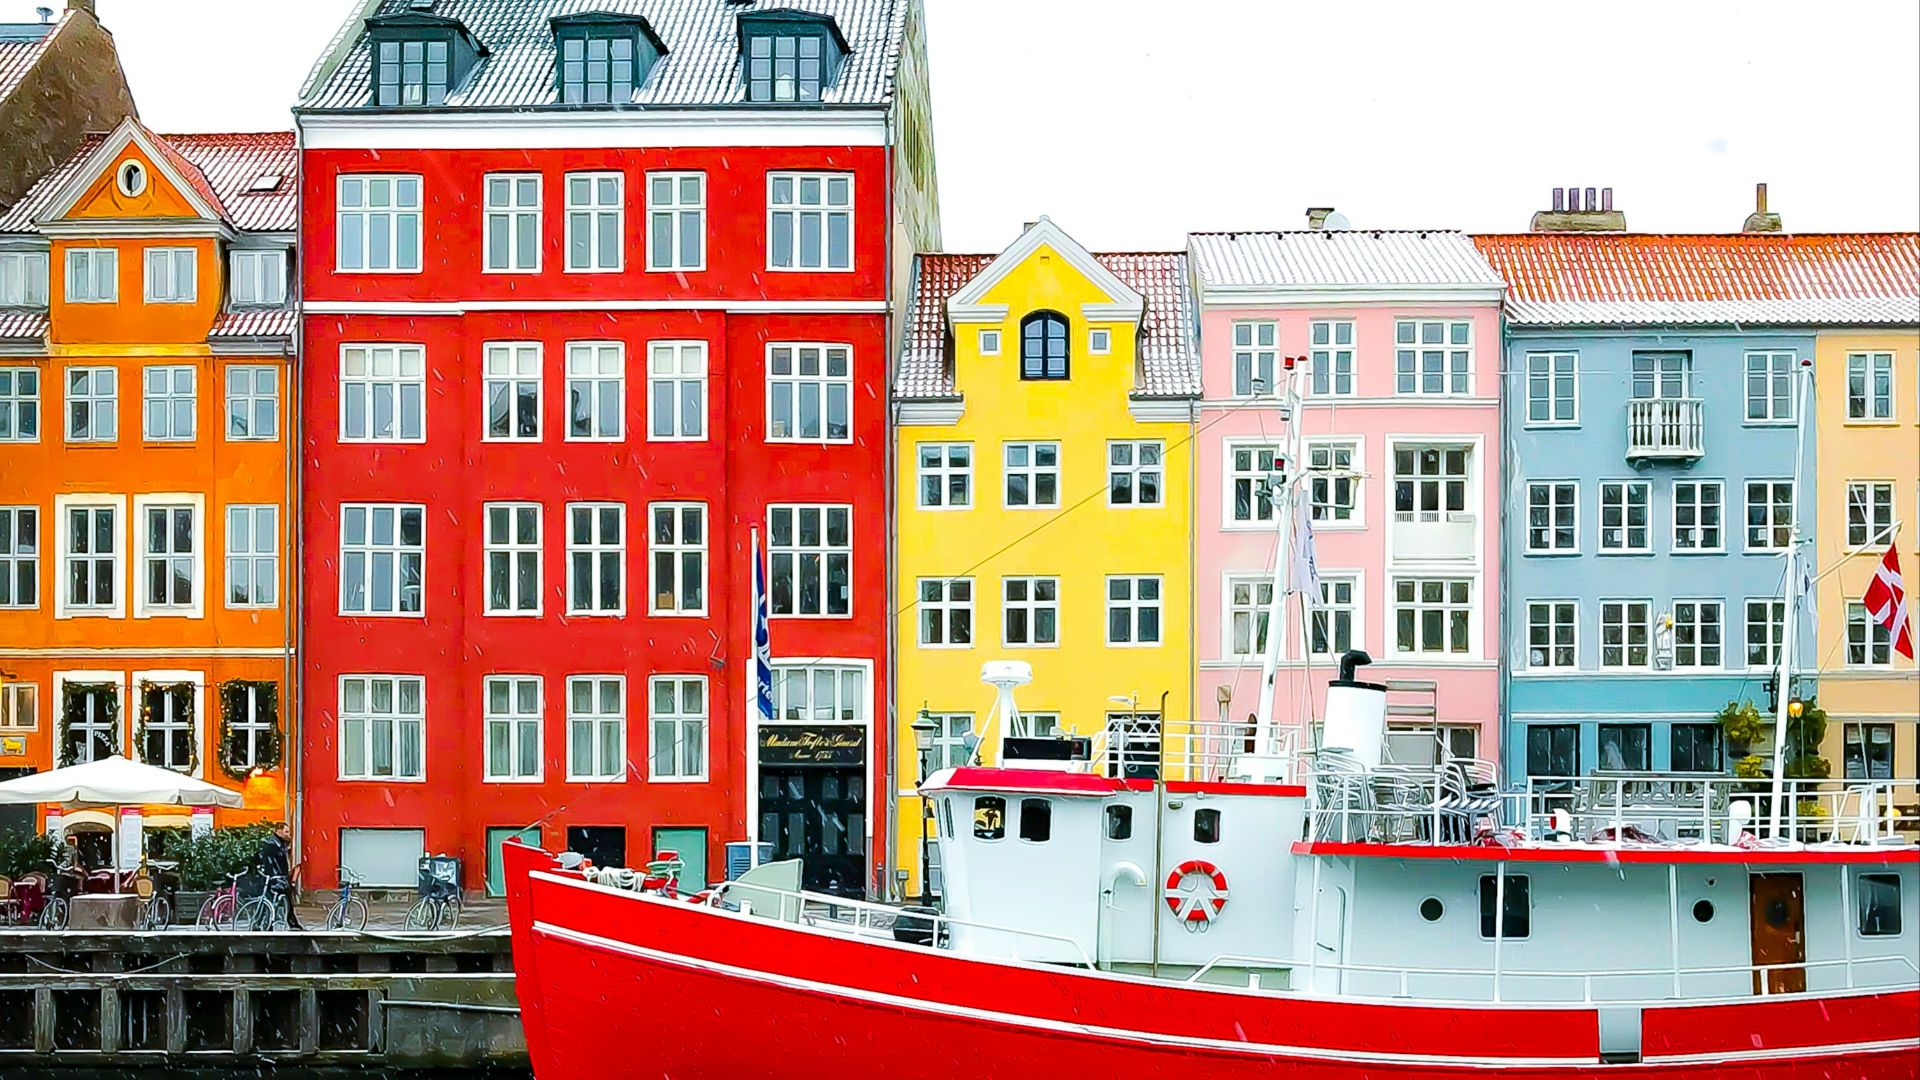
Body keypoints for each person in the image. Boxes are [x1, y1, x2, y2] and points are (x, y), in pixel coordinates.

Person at [257, 822, 302, 929]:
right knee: (276, 901)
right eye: (286, 831)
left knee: (278, 901)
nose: (288, 834)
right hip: (275, 878)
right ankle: (289, 924)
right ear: (278, 831)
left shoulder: (279, 843)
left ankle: (265, 924)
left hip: (277, 878)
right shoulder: (273, 845)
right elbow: (271, 863)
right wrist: (276, 876)